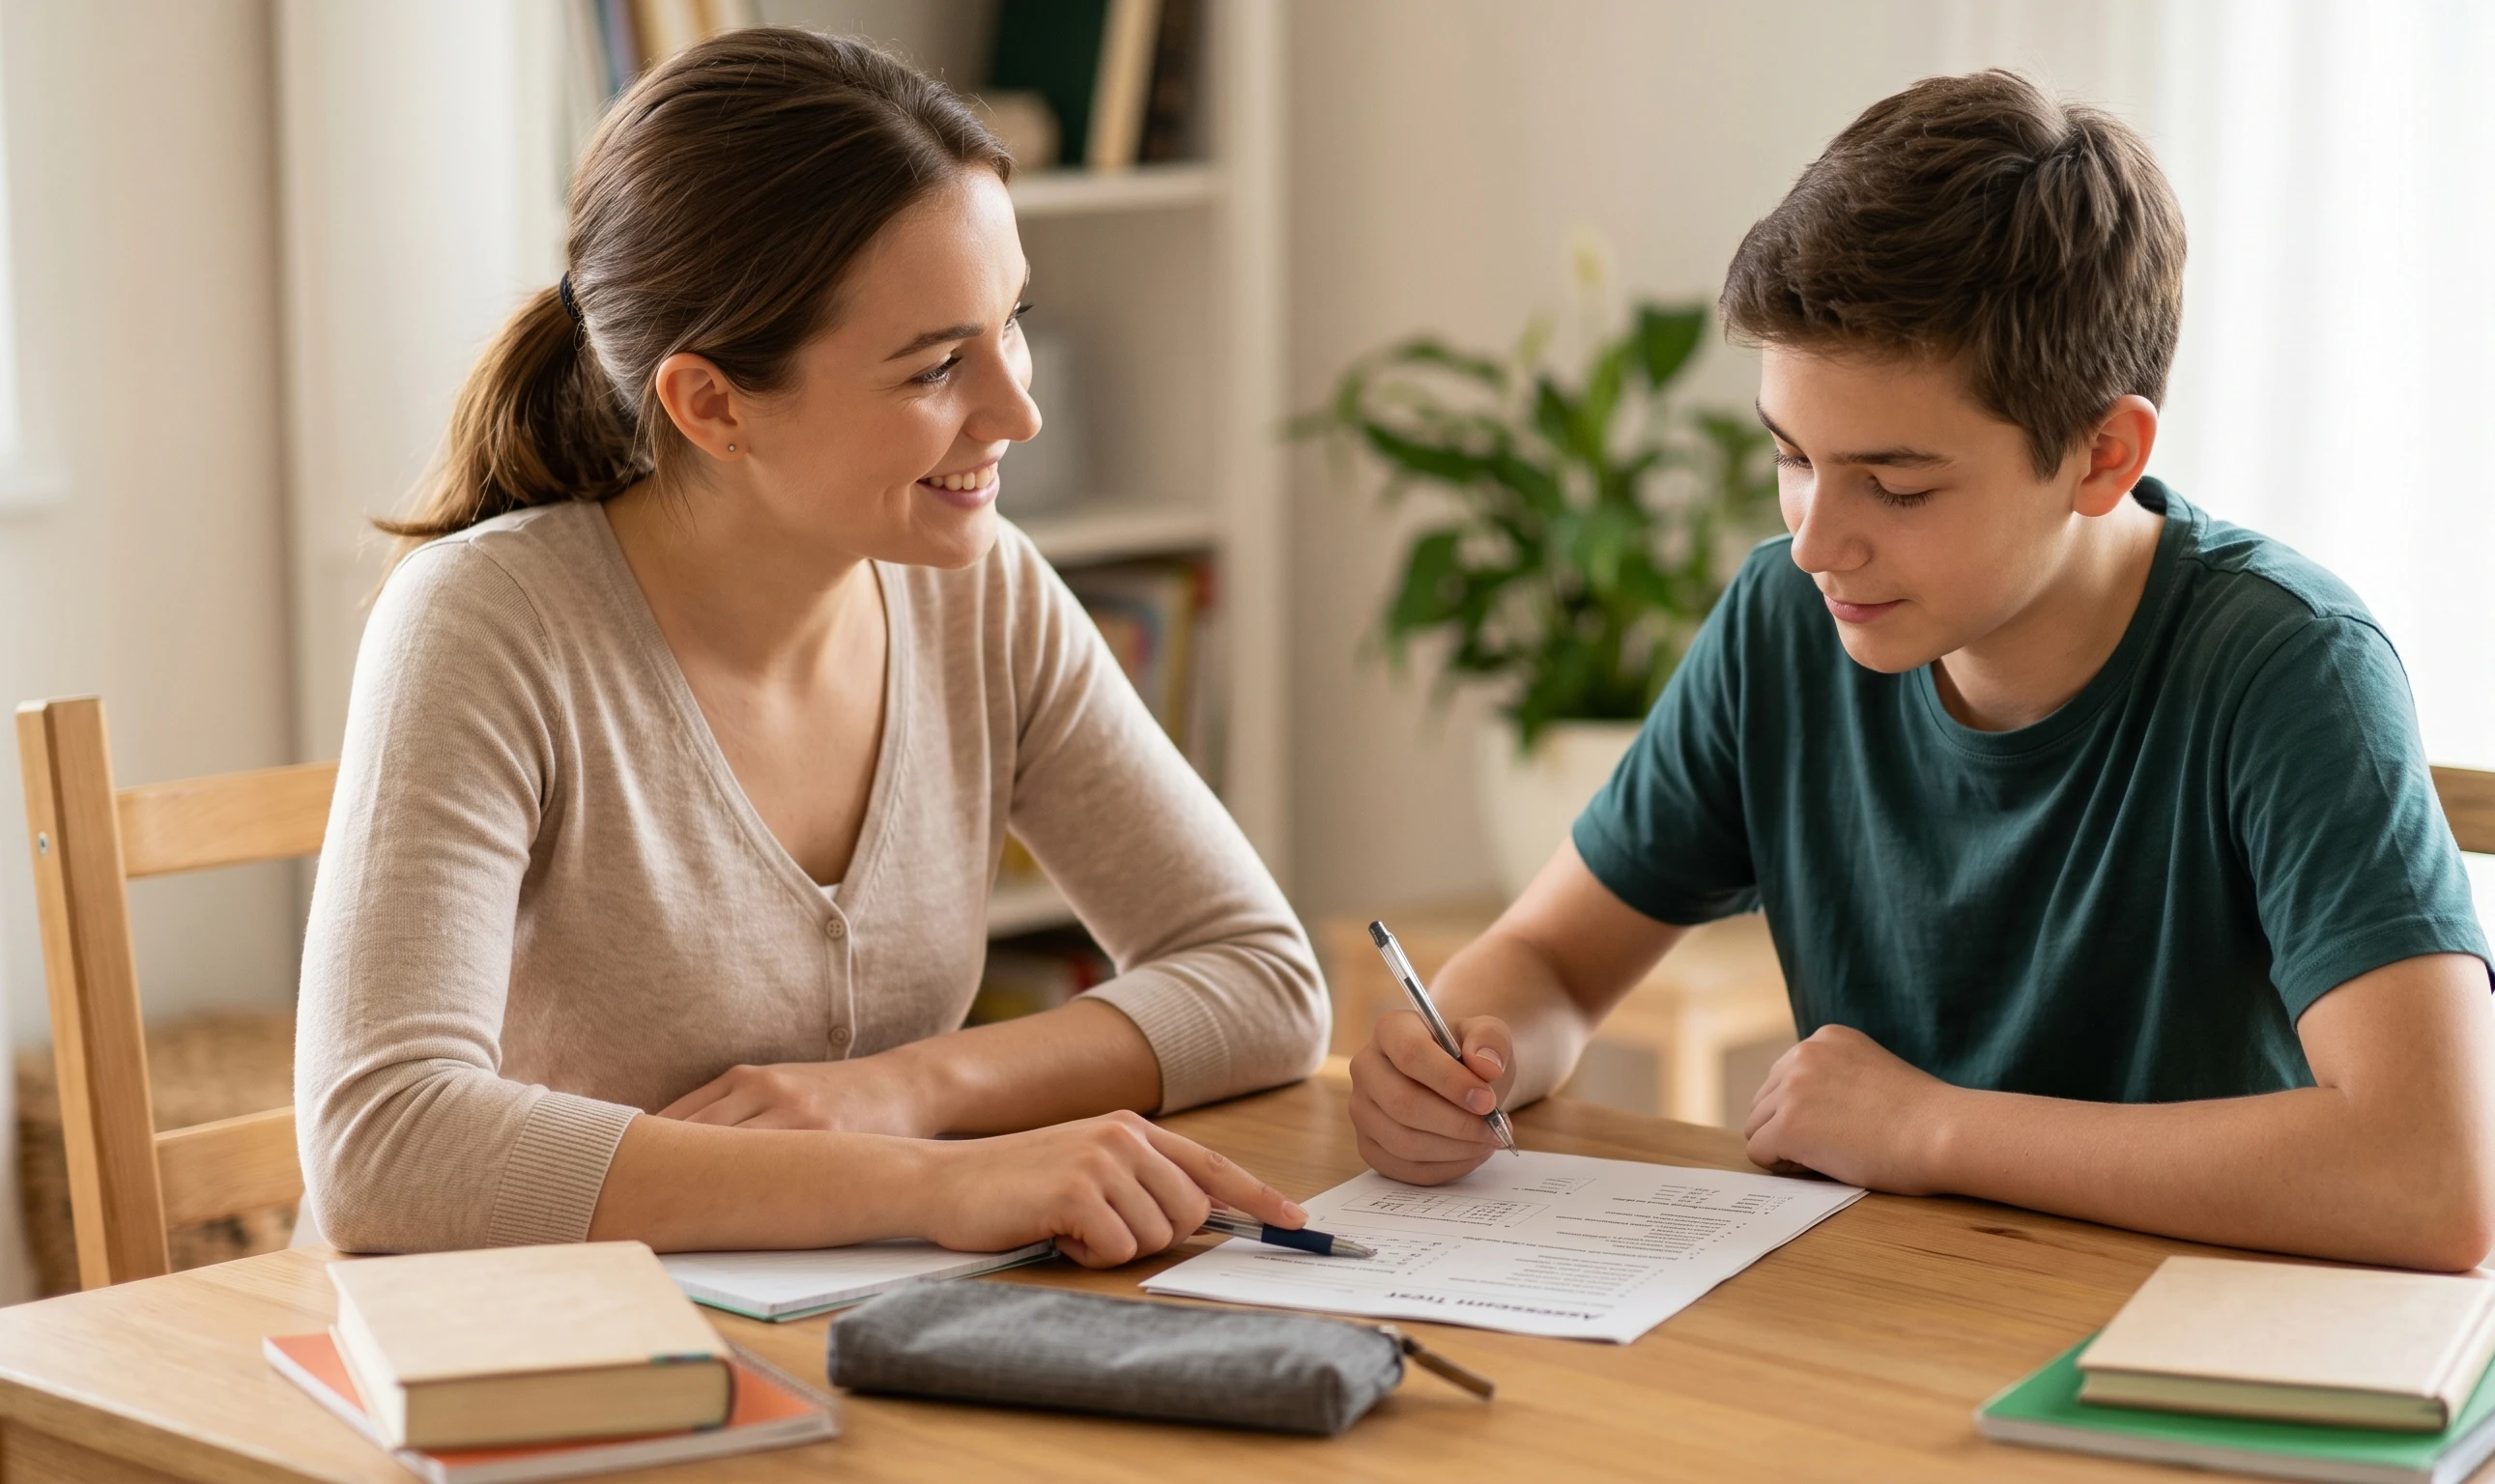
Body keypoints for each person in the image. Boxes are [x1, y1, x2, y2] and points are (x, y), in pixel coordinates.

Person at [1349, 71, 2495, 1271]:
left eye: (1893, 486)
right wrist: (1465, 1057)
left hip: (2193, 1338)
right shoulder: (1782, 622)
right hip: (1894, 1309)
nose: (1813, 542)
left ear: (2101, 456)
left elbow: (2428, 1178)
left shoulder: (2288, 667)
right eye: (1791, 456)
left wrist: (1933, 1129)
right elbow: (1548, 961)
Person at [296, 30, 1327, 1265]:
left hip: (837, 1323)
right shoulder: (488, 623)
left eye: (1011, 322)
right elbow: (385, 1145)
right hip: (519, 1347)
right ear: (711, 404)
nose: (1019, 410)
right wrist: (926, 1185)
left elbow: (1261, 980)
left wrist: (904, 1091)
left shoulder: (983, 595)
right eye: (936, 366)